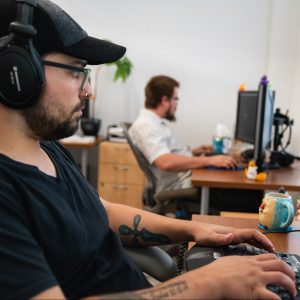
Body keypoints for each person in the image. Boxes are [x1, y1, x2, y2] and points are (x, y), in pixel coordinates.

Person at [0, 1, 296, 299]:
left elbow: (104, 211)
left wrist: (195, 230)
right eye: (76, 71)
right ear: (17, 74)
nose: (88, 90)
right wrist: (206, 283)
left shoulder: (49, 148)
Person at [129, 75, 263, 213]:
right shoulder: (146, 126)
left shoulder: (155, 123)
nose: (177, 103)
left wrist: (193, 152)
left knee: (247, 190)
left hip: (188, 178)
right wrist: (209, 160)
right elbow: (165, 162)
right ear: (165, 100)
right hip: (181, 187)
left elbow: (167, 154)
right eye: (176, 98)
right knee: (252, 197)